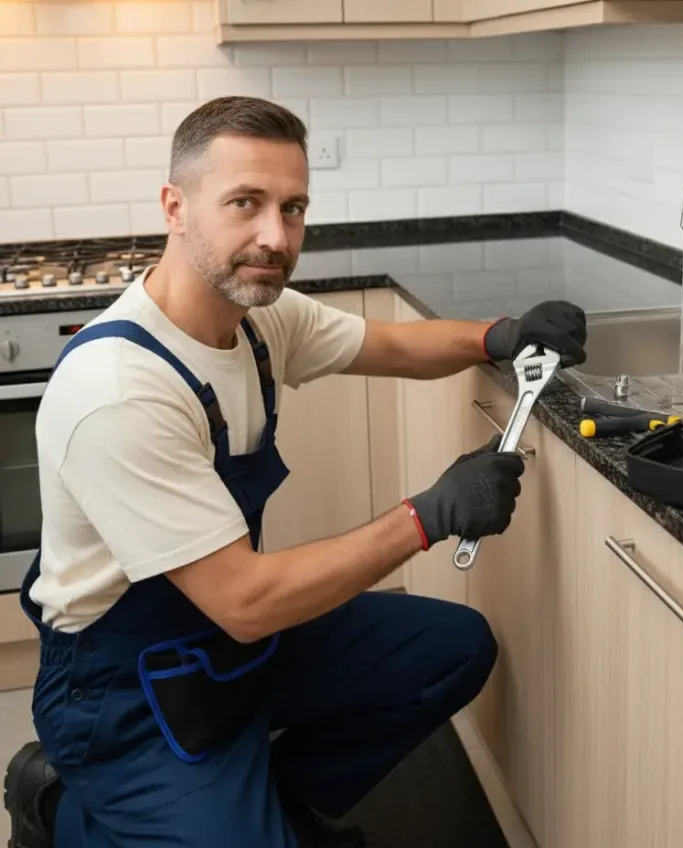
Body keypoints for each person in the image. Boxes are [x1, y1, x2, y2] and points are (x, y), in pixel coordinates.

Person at [3, 95, 587, 848]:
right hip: (125, 691)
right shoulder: (120, 388)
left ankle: (275, 803)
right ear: (175, 207)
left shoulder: (257, 321)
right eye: (245, 202)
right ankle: (57, 806)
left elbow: (394, 346)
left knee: (453, 650)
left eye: (294, 207)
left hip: (233, 645)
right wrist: (427, 516)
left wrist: (501, 335)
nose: (275, 236)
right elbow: (245, 600)